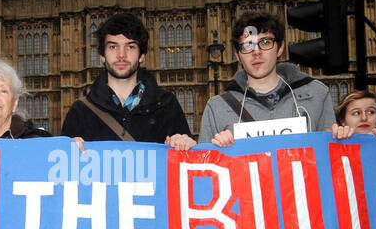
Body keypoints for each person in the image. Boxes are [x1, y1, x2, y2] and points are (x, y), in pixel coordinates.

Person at [199, 11, 335, 145]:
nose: (256, 52)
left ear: (280, 48)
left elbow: (332, 160)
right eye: (247, 45)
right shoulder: (217, 108)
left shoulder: (317, 95)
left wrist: (344, 139)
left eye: (265, 42)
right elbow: (204, 165)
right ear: (238, 55)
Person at [60, 12, 194, 149]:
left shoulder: (166, 105)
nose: (121, 55)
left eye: (130, 47)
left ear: (141, 55)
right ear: (102, 56)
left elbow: (186, 167)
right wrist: (68, 150)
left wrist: (186, 145)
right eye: (113, 47)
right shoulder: (81, 111)